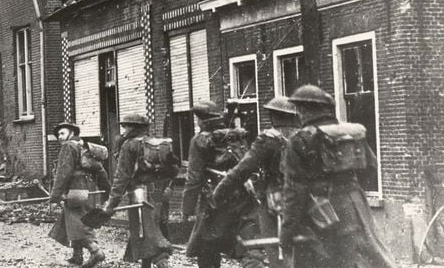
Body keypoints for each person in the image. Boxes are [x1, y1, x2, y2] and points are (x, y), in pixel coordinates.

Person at [280, 84, 395, 268]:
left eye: (298, 109)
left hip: (322, 212)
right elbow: (371, 167)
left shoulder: (299, 140)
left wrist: (286, 232)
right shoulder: (351, 133)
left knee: (326, 260)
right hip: (356, 205)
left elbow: (294, 191)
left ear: (303, 110)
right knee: (370, 255)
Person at [213, 96, 300, 268]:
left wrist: (219, 192)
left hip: (276, 203)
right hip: (307, 201)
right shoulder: (307, 136)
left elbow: (242, 170)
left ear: (273, 116)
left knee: (278, 252)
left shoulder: (269, 139)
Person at [182, 100, 263, 268]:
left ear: (201, 120)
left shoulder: (199, 141)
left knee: (206, 246)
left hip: (214, 199)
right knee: (248, 245)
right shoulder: (237, 136)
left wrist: (187, 208)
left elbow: (194, 179)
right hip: (242, 196)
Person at [102, 113, 176, 268]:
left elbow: (121, 177)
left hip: (139, 193)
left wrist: (111, 204)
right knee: (154, 228)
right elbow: (174, 169)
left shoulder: (129, 145)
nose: (124, 130)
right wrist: (169, 188)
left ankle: (162, 262)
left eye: (126, 126)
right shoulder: (158, 144)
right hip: (159, 193)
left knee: (146, 231)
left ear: (133, 127)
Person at [48, 122, 107, 268]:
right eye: (58, 135)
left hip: (75, 188)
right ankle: (77, 256)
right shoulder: (84, 146)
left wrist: (55, 195)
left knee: (78, 221)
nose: (60, 137)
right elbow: (100, 170)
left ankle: (95, 250)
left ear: (71, 132)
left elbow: (63, 173)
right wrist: (107, 188)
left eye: (62, 133)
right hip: (89, 188)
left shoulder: (68, 146)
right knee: (71, 218)